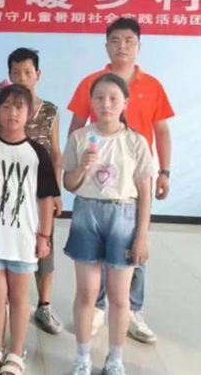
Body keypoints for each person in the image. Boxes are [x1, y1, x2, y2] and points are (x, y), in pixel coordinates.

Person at [67, 19, 174, 343]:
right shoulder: (91, 82)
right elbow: (76, 126)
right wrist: (75, 166)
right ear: (106, 46)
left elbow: (162, 130)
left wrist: (164, 172)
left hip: (134, 178)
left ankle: (132, 310)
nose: (122, 46)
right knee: (94, 253)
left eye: (129, 40)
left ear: (138, 46)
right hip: (96, 184)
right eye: (115, 40)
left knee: (133, 246)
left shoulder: (152, 85)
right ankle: (99, 307)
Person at [63, 74, 153, 375]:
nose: (106, 104)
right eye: (99, 98)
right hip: (86, 213)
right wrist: (82, 166)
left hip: (123, 215)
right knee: (87, 293)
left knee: (119, 296)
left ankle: (115, 360)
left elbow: (144, 192)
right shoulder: (79, 138)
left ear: (125, 102)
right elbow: (69, 184)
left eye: (114, 98)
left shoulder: (135, 141)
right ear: (91, 102)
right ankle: (82, 358)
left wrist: (141, 236)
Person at [0, 84, 58, 375]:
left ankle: (16, 352)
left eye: (19, 107)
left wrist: (44, 236)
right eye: (6, 107)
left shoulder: (38, 152)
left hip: (22, 240)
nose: (12, 113)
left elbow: (46, 198)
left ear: (29, 113)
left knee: (19, 299)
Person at [0, 47, 64, 334]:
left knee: (44, 245)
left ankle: (44, 305)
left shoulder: (50, 110)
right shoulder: (5, 107)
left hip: (42, 191)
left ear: (38, 74)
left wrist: (57, 192)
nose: (22, 77)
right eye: (16, 73)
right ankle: (4, 304)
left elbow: (56, 152)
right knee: (9, 245)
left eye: (27, 72)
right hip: (12, 189)